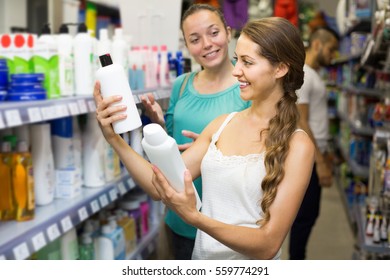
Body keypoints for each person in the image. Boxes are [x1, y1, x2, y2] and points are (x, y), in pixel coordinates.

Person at [94, 17, 315, 259]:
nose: (236, 70)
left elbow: (268, 244)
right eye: (237, 59)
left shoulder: (298, 145)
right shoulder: (222, 125)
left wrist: (195, 217)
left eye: (247, 62)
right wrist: (115, 139)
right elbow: (159, 184)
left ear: (280, 69)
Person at [139, 4, 250, 259]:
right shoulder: (182, 85)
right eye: (195, 39)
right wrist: (158, 122)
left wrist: (215, 146)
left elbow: (263, 153)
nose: (207, 44)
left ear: (229, 32)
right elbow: (173, 146)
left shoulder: (248, 87)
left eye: (214, 33)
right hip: (179, 218)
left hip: (228, 224)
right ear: (187, 46)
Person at [288, 26, 339, 260]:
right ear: (317, 44)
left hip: (315, 154)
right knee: (304, 217)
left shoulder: (312, 74)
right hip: (309, 157)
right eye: (331, 49)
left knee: (308, 215)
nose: (333, 55)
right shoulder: (305, 75)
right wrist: (319, 162)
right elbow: (302, 120)